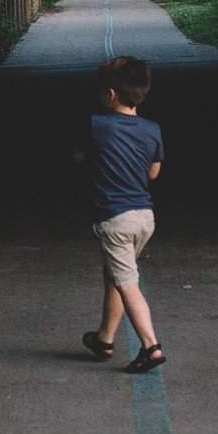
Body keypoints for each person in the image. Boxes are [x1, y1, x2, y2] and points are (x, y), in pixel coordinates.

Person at [76, 55, 167, 374]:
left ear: (110, 94)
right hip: (145, 218)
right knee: (115, 275)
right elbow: (153, 173)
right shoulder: (152, 128)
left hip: (115, 219)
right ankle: (104, 338)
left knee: (127, 282)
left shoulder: (97, 125)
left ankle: (150, 347)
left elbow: (77, 156)